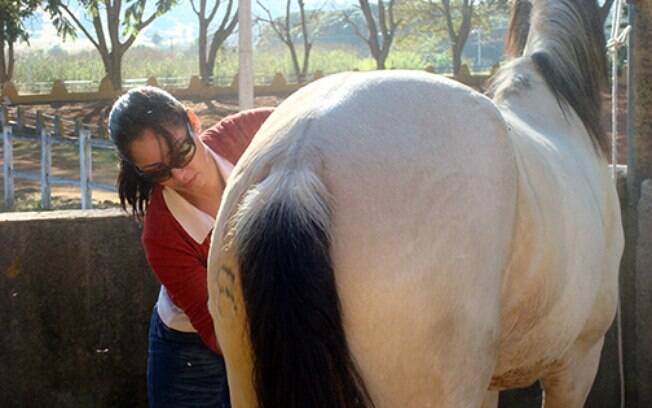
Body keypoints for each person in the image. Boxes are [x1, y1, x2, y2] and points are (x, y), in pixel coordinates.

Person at [108, 86, 273, 408]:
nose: (180, 175)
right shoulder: (162, 236)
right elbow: (217, 332)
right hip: (192, 348)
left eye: (182, 152)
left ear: (193, 122)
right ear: (137, 169)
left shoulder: (250, 134)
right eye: (157, 172)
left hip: (266, 320)